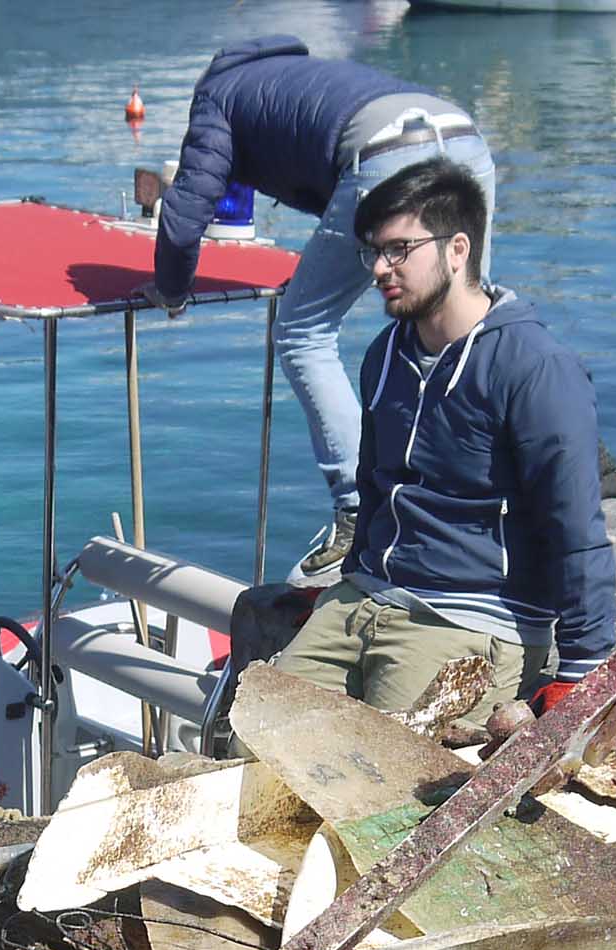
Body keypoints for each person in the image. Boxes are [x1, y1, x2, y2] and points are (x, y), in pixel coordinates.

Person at [267, 159, 615, 725]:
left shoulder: (534, 367)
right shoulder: (385, 356)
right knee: (251, 745)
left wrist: (583, 667)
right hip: (364, 599)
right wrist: (351, 578)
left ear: (458, 249)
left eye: (399, 249)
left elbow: (575, 527)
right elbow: (375, 491)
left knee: (379, 785)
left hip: (469, 621)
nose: (380, 268)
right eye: (374, 251)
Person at [148, 36, 497, 581]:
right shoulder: (296, 72)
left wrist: (171, 288)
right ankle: (562, 443)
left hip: (387, 155)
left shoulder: (216, 97)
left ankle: (359, 505)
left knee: (301, 330)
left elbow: (188, 207)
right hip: (464, 136)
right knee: (468, 319)